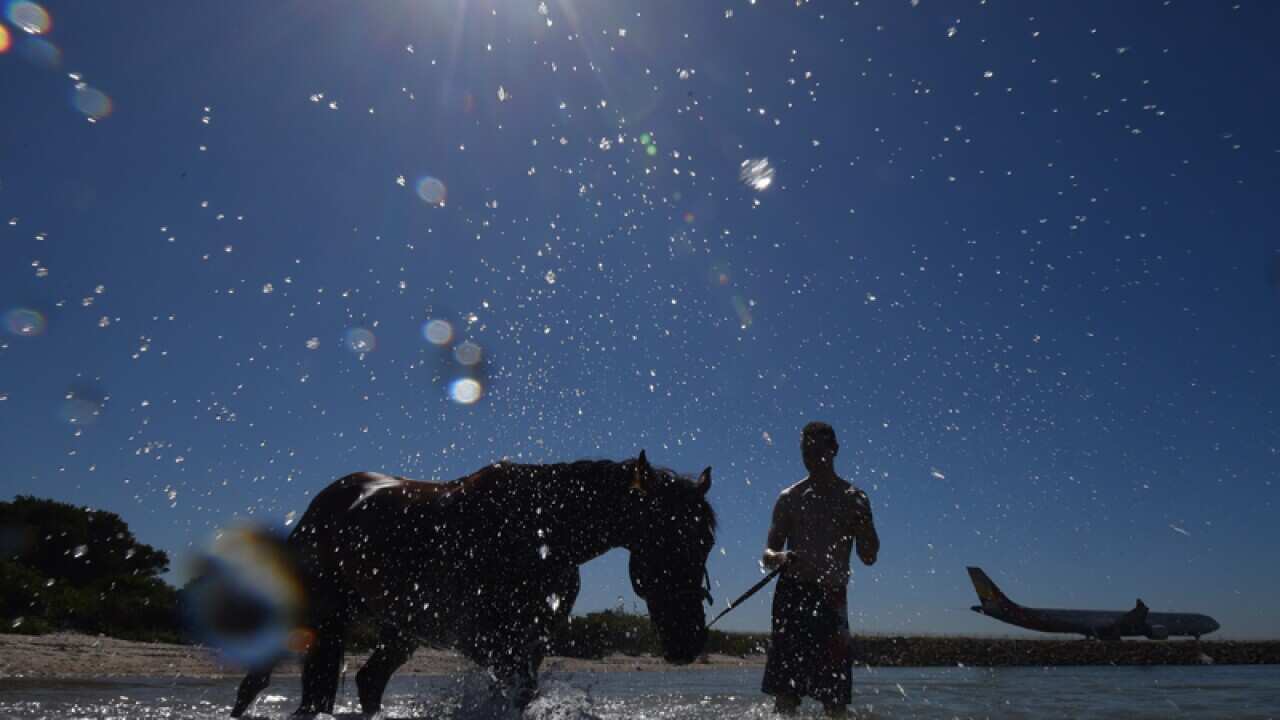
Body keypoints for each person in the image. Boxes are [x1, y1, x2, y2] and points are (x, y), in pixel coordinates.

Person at [761, 422, 880, 718]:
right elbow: (766, 555)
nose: (811, 457)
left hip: (831, 597)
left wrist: (863, 528)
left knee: (835, 697)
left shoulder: (854, 498)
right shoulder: (790, 497)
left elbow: (869, 557)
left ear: (834, 450)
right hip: (791, 595)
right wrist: (782, 556)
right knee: (785, 694)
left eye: (818, 450)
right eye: (806, 451)